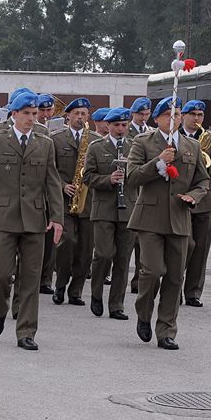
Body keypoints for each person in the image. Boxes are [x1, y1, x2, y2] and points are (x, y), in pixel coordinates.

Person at [0, 91, 64, 351]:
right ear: (14, 114)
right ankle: (0, 309)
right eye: (27, 114)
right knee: (1, 274)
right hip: (3, 217)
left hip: (34, 218)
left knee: (30, 277)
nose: (32, 118)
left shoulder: (45, 142)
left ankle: (26, 331)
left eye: (35, 113)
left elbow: (52, 182)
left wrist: (57, 218)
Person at [126, 96, 209, 350]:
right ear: (157, 118)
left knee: (174, 277)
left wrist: (193, 196)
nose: (174, 119)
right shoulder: (143, 142)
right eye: (169, 115)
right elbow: (133, 177)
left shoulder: (192, 147)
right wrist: (159, 161)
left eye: (178, 114)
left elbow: (203, 181)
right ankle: (144, 313)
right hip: (149, 218)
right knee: (151, 272)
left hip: (179, 218)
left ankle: (166, 330)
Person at [83, 107, 136, 320]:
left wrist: (129, 176)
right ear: (108, 126)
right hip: (104, 208)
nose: (121, 129)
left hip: (128, 209)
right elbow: (87, 177)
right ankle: (96, 294)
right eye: (116, 125)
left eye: (124, 125)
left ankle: (116, 305)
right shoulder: (96, 147)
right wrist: (108, 180)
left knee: (123, 259)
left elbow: (142, 174)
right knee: (104, 254)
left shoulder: (135, 146)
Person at [51, 97, 101, 306]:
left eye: (84, 114)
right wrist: (63, 185)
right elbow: (49, 169)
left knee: (85, 249)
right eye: (77, 114)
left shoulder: (96, 140)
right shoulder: (56, 139)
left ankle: (76, 291)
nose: (80, 117)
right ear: (68, 116)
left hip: (88, 202)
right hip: (63, 200)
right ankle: (60, 284)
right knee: (67, 242)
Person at [178, 99, 211, 307]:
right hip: (182, 196)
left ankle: (193, 292)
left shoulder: (210, 138)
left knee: (201, 247)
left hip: (206, 199)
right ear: (183, 115)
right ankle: (175, 287)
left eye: (200, 115)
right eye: (192, 114)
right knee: (185, 245)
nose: (196, 118)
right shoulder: (176, 137)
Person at [126, 96, 154, 294]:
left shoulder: (153, 134)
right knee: (129, 240)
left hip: (145, 191)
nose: (143, 118)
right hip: (130, 189)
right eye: (140, 115)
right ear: (132, 115)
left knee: (142, 243)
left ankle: (138, 280)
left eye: (146, 114)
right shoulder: (124, 131)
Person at [36, 94, 57, 296]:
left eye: (48, 110)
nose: (45, 115)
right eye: (41, 111)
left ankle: (45, 279)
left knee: (49, 240)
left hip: (49, 192)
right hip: (33, 191)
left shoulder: (57, 133)